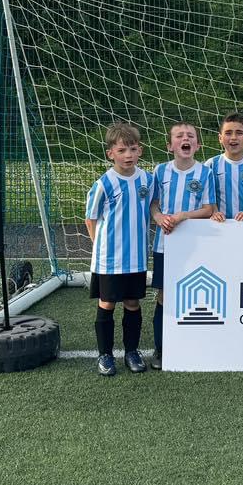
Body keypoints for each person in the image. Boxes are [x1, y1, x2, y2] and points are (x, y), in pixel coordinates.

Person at [84, 122, 154, 376]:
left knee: (133, 303)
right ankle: (105, 355)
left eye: (133, 149)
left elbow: (153, 206)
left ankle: (132, 352)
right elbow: (90, 219)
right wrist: (100, 247)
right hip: (110, 259)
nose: (128, 155)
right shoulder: (104, 184)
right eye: (122, 150)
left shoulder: (147, 179)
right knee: (107, 303)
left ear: (140, 150)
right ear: (110, 153)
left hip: (136, 258)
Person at [148, 121, 217, 370]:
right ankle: (161, 348)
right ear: (170, 146)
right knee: (165, 295)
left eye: (190, 136)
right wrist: (158, 217)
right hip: (165, 245)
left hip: (196, 245)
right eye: (179, 136)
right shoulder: (160, 171)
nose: (185, 138)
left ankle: (194, 344)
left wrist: (183, 216)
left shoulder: (205, 173)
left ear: (197, 145)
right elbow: (154, 204)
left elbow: (209, 209)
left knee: (196, 294)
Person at [203, 111, 243, 224]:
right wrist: (215, 212)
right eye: (228, 133)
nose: (233, 137)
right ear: (220, 138)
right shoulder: (211, 164)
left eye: (239, 133)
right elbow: (208, 195)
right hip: (220, 225)